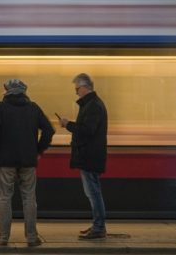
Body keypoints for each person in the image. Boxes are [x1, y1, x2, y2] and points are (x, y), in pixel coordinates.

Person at [0, 78, 55, 248]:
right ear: (24, 91)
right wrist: (39, 150)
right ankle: (31, 237)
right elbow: (48, 130)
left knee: (4, 197)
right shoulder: (33, 108)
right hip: (28, 161)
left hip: (6, 161)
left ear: (7, 91)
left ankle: (3, 237)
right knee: (29, 197)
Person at [58, 73, 108, 240]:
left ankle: (99, 227)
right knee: (93, 192)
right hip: (89, 155)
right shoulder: (91, 104)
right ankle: (97, 225)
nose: (76, 92)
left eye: (77, 88)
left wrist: (68, 125)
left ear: (85, 87)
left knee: (93, 193)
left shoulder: (93, 106)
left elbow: (86, 131)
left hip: (89, 156)